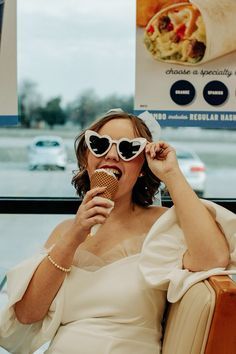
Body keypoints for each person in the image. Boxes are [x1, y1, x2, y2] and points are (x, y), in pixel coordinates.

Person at [0, 110, 236, 354]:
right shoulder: (65, 232)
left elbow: (213, 259)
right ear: (86, 158)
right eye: (100, 145)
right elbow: (27, 314)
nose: (111, 155)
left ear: (143, 166)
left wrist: (171, 174)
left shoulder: (160, 224)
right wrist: (75, 235)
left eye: (127, 149)